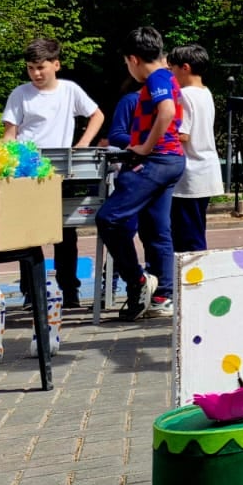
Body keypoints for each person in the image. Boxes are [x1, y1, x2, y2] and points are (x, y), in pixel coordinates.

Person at [1, 37, 104, 308]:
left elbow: (97, 115)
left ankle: (69, 290)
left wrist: (82, 144)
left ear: (55, 65)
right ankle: (30, 292)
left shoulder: (69, 90)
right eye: (31, 68)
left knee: (64, 233)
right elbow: (10, 135)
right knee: (27, 234)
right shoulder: (20, 94)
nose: (36, 73)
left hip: (61, 169)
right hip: (27, 169)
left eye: (41, 67)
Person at [93, 27, 184, 321]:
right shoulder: (169, 75)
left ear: (133, 59)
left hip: (156, 159)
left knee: (109, 218)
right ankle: (162, 295)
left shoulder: (156, 77)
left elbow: (167, 112)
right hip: (171, 160)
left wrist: (144, 147)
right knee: (157, 227)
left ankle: (138, 281)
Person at [168, 45, 223, 254]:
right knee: (196, 230)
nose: (171, 74)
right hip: (206, 169)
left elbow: (183, 134)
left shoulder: (183, 95)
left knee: (186, 237)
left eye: (172, 68)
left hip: (190, 174)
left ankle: (190, 281)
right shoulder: (205, 92)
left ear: (185, 67)